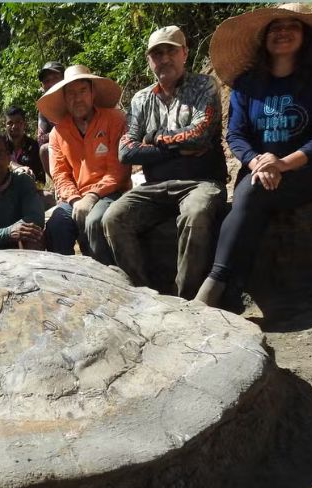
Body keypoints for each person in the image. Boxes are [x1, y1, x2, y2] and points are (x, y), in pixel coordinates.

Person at [195, 5, 312, 308]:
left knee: (251, 195)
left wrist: (282, 163)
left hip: (307, 170)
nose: (283, 32)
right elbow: (235, 135)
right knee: (249, 195)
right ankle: (232, 290)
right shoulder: (246, 83)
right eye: (275, 27)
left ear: (306, 36)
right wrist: (257, 161)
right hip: (256, 168)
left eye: (293, 26)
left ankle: (214, 288)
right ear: (263, 38)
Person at [102, 25, 228, 300]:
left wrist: (153, 139)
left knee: (196, 214)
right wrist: (174, 147)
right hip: (155, 185)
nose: (164, 58)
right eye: (157, 54)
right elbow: (126, 151)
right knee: (114, 217)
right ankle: (143, 294)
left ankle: (187, 299)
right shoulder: (141, 99)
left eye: (171, 50)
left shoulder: (204, 86)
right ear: (149, 61)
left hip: (201, 181)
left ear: (184, 53)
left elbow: (200, 135)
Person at [39, 65, 130, 264]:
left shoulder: (115, 120)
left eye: (82, 91)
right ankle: (65, 279)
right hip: (76, 197)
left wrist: (92, 196)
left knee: (94, 220)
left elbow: (119, 169)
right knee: (56, 225)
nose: (77, 98)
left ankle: (107, 278)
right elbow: (60, 174)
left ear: (92, 92)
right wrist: (74, 199)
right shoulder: (58, 132)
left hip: (110, 193)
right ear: (64, 98)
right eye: (70, 93)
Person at [37, 61, 65, 180]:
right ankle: (59, 183)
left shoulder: (76, 96)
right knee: (44, 150)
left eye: (55, 78)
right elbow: (41, 139)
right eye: (47, 81)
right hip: (61, 146)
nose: (51, 83)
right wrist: (63, 132)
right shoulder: (44, 109)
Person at [5, 106, 45, 183]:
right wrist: (15, 166)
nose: (14, 126)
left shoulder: (34, 146)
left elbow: (40, 176)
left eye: (18, 122)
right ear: (5, 125)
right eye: (10, 123)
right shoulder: (0, 145)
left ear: (24, 124)